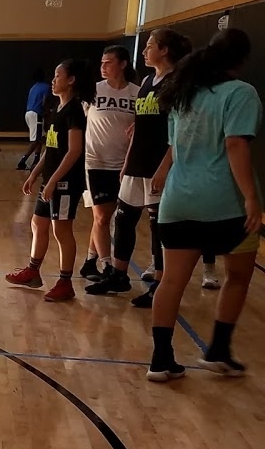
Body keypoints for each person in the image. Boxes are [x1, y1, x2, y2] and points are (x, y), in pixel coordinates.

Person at [148, 28, 261, 382]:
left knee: (171, 281)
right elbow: (235, 147)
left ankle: (161, 359)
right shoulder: (241, 93)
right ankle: (218, 350)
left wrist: (163, 172)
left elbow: (173, 144)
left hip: (178, 202)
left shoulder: (184, 92)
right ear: (242, 60)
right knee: (238, 276)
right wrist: (252, 198)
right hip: (225, 205)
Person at [86, 29, 193, 302]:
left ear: (165, 50)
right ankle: (119, 275)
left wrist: (164, 167)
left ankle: (159, 282)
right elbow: (139, 127)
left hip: (158, 165)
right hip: (136, 163)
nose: (144, 51)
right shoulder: (147, 81)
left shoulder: (177, 83)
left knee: (158, 226)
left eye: (149, 46)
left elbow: (181, 131)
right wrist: (128, 162)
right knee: (123, 219)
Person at [5, 59, 95, 302]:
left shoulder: (75, 111)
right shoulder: (58, 109)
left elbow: (74, 150)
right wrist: (35, 174)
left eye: (58, 75)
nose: (53, 80)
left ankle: (66, 283)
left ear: (71, 80)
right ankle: (33, 272)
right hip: (51, 179)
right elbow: (51, 146)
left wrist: (54, 180)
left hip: (66, 182)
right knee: (37, 224)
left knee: (62, 230)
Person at [80, 46, 139, 283]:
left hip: (124, 164)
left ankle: (89, 261)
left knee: (108, 216)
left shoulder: (136, 93)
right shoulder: (92, 91)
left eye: (108, 62)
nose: (103, 67)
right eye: (101, 62)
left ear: (123, 64)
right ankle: (108, 267)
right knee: (102, 217)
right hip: (96, 162)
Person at [18, 69, 52, 170]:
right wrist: (48, 113)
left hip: (28, 113)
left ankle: (36, 161)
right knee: (35, 140)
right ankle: (22, 161)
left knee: (40, 138)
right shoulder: (46, 87)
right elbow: (44, 102)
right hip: (36, 114)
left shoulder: (33, 87)